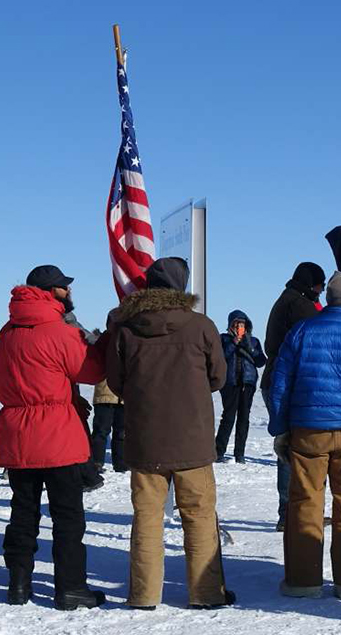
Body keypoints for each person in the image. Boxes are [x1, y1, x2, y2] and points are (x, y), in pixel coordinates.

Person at [106, 256, 233, 610]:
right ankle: (206, 593)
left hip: (146, 437)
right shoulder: (201, 326)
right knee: (199, 515)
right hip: (192, 437)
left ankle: (145, 595)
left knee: (146, 517)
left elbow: (116, 381)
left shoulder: (127, 328)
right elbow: (218, 377)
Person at [0, 265, 108, 610]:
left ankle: (18, 585)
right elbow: (92, 372)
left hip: (17, 432)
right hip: (57, 433)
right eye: (65, 287)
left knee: (23, 513)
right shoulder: (59, 332)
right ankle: (70, 588)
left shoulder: (6, 333)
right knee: (68, 517)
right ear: (53, 292)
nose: (69, 292)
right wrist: (95, 343)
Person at [268, 268, 341, 601]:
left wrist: (280, 427)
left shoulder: (302, 331)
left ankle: (304, 582)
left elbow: (281, 384)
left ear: (328, 298)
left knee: (305, 501)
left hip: (308, 430)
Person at [262, 262, 325, 531]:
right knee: (293, 447)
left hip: (276, 378)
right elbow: (316, 341)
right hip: (287, 381)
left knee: (288, 444)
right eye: (320, 285)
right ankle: (291, 512)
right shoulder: (300, 305)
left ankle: (290, 510)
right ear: (312, 284)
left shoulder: (286, 299)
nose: (321, 291)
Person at [214, 310, 266, 464]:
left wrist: (249, 346)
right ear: (230, 325)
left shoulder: (254, 341)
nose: (239, 327)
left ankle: (240, 453)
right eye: (236, 324)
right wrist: (233, 344)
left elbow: (261, 361)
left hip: (247, 383)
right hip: (230, 383)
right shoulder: (223, 339)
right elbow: (220, 358)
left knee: (244, 418)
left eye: (242, 324)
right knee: (228, 417)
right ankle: (219, 451)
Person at [90, 379, 126, 472]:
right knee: (101, 431)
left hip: (123, 397)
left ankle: (121, 463)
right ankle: (96, 462)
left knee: (121, 432)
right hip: (105, 395)